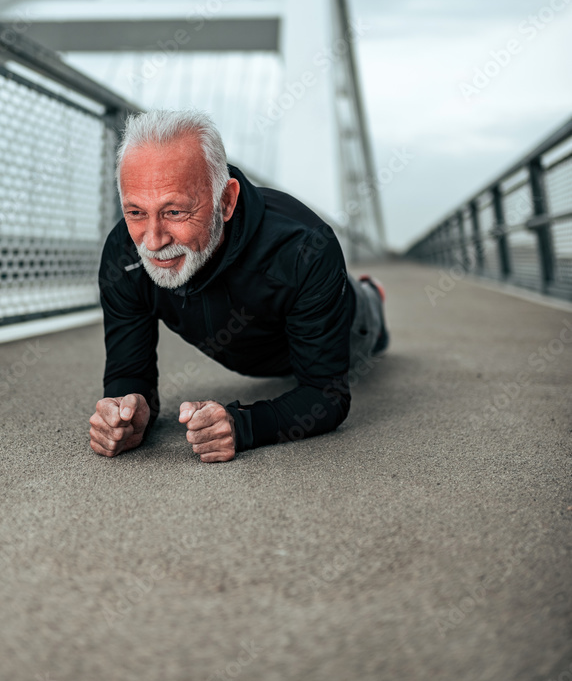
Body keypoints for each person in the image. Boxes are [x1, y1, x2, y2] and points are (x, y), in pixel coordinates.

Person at [89, 108, 388, 463]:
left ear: (226, 201)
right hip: (250, 350)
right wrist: (128, 408)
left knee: (371, 330)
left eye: (175, 212)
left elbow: (326, 395)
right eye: (136, 212)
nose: (152, 242)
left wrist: (244, 425)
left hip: (352, 325)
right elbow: (129, 372)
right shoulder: (124, 253)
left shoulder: (305, 248)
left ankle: (373, 294)